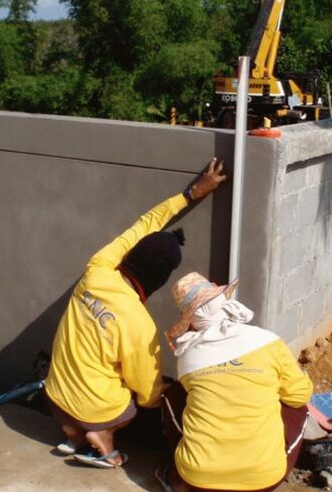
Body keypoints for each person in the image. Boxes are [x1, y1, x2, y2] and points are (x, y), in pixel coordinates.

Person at [44, 159, 227, 468]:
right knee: (130, 405)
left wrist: (190, 195)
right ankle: (102, 438)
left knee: (90, 372)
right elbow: (148, 395)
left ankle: (72, 432)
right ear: (159, 279)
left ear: (132, 255)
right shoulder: (139, 324)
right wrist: (173, 395)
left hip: (54, 396)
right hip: (94, 409)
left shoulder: (97, 270)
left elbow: (143, 226)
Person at [156, 272, 313, 492]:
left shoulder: (188, 356)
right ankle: (259, 476)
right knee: (299, 407)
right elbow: (299, 396)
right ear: (224, 302)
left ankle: (177, 478)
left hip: (198, 478)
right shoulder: (268, 341)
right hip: (264, 480)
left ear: (190, 321)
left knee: (173, 395)